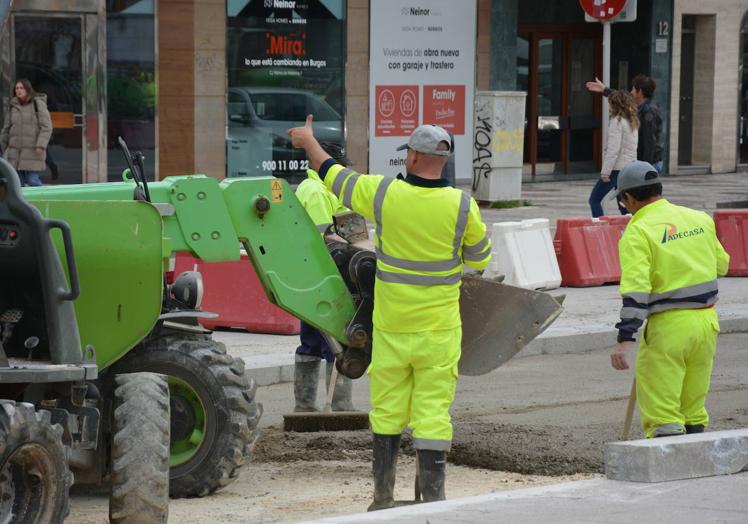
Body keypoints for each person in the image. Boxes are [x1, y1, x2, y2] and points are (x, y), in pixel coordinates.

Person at [287, 118, 492, 510]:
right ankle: (434, 501)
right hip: (439, 331)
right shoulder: (462, 206)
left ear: (413, 156)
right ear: (443, 162)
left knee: (387, 410)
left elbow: (334, 175)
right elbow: (479, 258)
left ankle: (383, 499)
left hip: (394, 328)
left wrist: (310, 142)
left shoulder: (383, 194)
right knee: (433, 413)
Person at [610, 160, 730, 438]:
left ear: (628, 198)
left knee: (663, 413)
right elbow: (722, 265)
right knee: (693, 407)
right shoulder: (699, 218)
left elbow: (636, 290)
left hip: (669, 328)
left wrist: (625, 338)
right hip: (707, 323)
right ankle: (697, 461)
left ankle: (667, 462)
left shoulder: (637, 232)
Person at [293, 141, 356, 413]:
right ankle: (340, 405)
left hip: (311, 275)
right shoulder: (318, 192)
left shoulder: (316, 188)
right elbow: (327, 241)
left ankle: (305, 406)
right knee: (335, 337)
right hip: (326, 276)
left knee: (311, 339)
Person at [586, 74, 664, 173]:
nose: (631, 92)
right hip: (645, 163)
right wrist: (604, 89)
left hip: (649, 164)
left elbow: (649, 142)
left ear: (639, 91)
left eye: (632, 89)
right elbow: (623, 99)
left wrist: (644, 168)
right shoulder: (642, 106)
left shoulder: (648, 111)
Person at [588, 90, 639, 217]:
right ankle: (631, 229)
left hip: (616, 170)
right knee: (624, 205)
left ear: (614, 105)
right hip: (628, 168)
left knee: (594, 200)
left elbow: (613, 149)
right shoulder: (632, 121)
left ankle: (600, 229)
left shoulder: (617, 122)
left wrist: (606, 172)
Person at [0, 78, 52, 186]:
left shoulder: (37, 104)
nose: (19, 90)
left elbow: (46, 127)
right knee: (18, 184)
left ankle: (43, 201)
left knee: (32, 180)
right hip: (15, 155)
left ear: (28, 89)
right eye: (17, 88)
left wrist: (41, 145)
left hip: (33, 152)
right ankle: (23, 203)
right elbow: (6, 129)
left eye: (21, 88)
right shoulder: (13, 106)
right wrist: (2, 148)